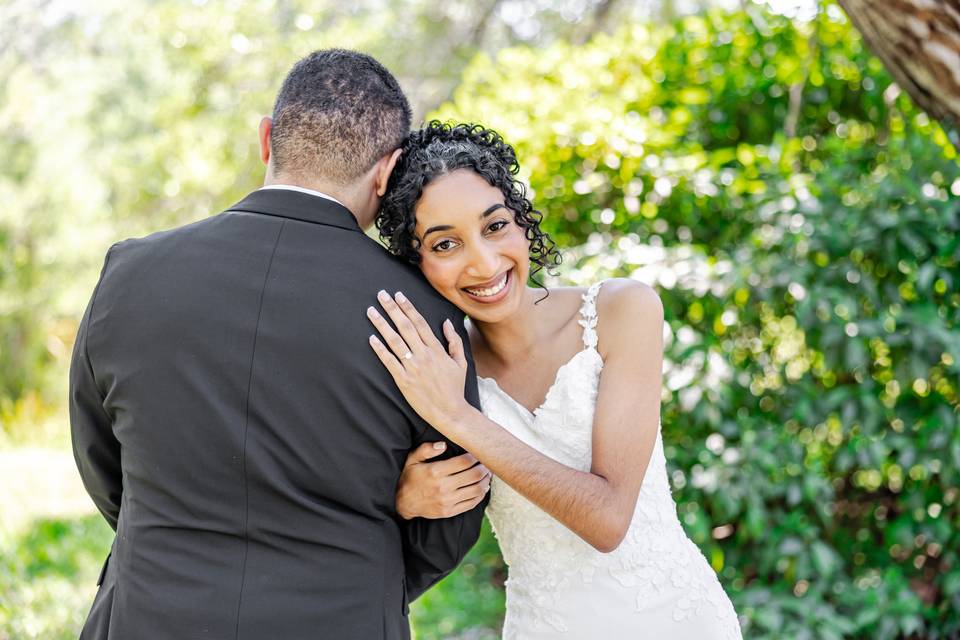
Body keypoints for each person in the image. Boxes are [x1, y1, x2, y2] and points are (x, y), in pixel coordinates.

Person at [68, 51, 489, 640]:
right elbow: (451, 514)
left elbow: (100, 460)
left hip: (150, 614)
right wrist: (367, 556)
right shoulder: (421, 312)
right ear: (389, 171)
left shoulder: (130, 272)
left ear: (267, 139)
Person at [367, 121, 743, 639]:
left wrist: (458, 416)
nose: (484, 262)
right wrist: (404, 500)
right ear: (418, 263)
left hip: (677, 619)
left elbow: (608, 520)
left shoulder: (621, 312)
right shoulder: (440, 369)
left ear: (522, 223)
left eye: (495, 226)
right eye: (446, 244)